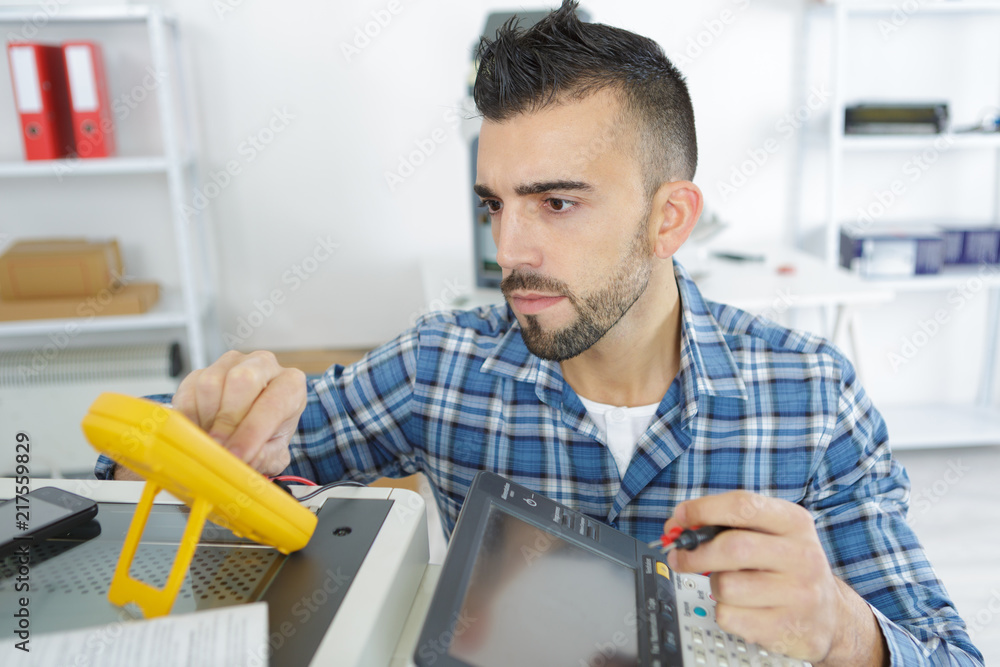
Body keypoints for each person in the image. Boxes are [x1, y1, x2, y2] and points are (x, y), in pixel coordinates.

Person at [96, 2, 983, 665]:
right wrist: (204, 425)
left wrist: (844, 630)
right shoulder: (440, 368)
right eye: (494, 204)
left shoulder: (812, 395)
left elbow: (950, 653)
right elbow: (142, 459)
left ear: (669, 218)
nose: (510, 250)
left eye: (557, 203)